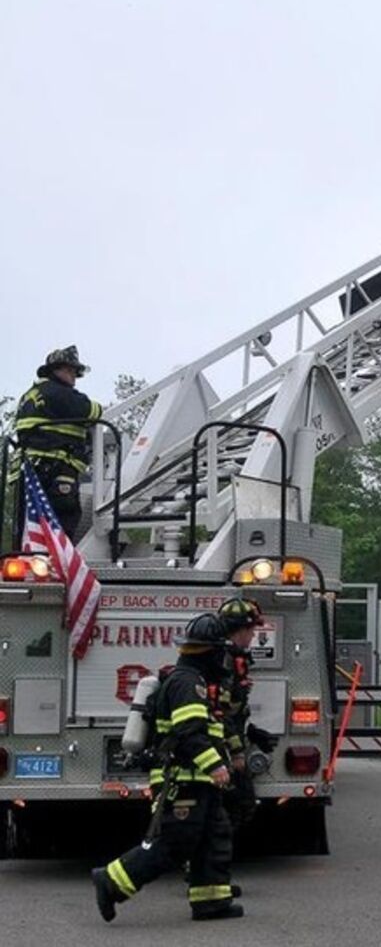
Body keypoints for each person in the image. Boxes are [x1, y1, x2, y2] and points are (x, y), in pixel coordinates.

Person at [92, 613, 244, 922]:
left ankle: (211, 901)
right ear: (210, 652)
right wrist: (216, 766)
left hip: (198, 779)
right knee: (176, 843)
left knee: (214, 836)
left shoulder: (195, 681)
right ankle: (111, 881)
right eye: (220, 652)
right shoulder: (187, 683)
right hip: (183, 778)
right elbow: (189, 732)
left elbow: (212, 728)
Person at [12, 346, 103, 540]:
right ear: (56, 370)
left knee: (29, 530)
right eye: (70, 371)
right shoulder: (58, 393)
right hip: (55, 473)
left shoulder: (30, 396)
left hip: (28, 474)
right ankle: (58, 566)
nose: (73, 378)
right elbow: (92, 411)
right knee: (61, 527)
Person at [216, 597, 278, 831]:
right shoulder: (225, 661)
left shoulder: (232, 657)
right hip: (221, 750)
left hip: (227, 745)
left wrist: (251, 732)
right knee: (237, 804)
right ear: (239, 630)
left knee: (240, 803)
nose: (253, 636)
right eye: (251, 629)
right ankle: (211, 857)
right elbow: (219, 712)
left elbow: (233, 709)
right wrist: (238, 752)